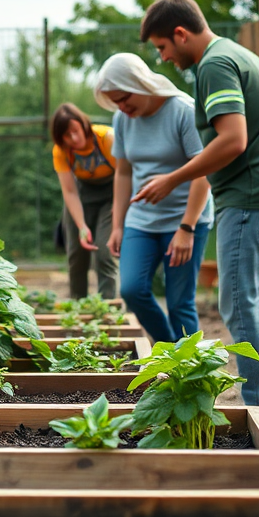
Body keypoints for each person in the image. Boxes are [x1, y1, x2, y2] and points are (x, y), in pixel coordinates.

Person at [134, 0, 259, 432]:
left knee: (242, 309)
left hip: (251, 201)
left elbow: (232, 140)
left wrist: (172, 179)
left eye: (162, 47)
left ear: (180, 33)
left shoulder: (213, 65)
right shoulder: (237, 54)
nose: (164, 57)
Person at [94, 53, 213, 343]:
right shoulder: (122, 119)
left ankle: (191, 374)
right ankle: (170, 350)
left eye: (124, 99)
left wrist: (187, 228)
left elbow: (204, 171)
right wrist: (118, 225)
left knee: (178, 302)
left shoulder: (183, 110)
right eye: (115, 103)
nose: (122, 107)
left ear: (140, 84)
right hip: (142, 220)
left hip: (185, 220)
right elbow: (123, 173)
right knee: (132, 290)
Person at [51, 104, 119, 299]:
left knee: (105, 251)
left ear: (83, 125)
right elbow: (70, 192)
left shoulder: (106, 138)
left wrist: (120, 205)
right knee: (77, 255)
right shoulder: (61, 151)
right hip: (81, 196)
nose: (73, 138)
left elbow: (125, 174)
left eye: (75, 131)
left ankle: (107, 306)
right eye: (66, 135)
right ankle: (78, 306)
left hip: (112, 194)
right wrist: (82, 226)